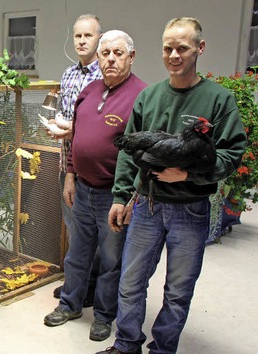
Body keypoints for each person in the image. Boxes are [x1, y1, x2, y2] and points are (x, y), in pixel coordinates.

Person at [99, 17, 246, 354]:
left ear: (200, 48)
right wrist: (121, 197)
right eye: (168, 48)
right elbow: (128, 155)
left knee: (178, 290)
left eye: (183, 47)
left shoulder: (218, 100)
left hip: (190, 210)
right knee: (131, 282)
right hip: (147, 206)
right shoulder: (149, 97)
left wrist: (190, 176)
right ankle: (126, 344)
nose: (174, 55)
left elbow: (232, 154)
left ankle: (162, 349)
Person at [44, 30, 146, 343]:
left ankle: (103, 316)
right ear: (98, 58)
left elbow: (142, 153)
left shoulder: (141, 95)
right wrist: (71, 176)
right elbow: (76, 138)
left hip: (114, 195)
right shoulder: (88, 91)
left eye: (118, 53)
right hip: (83, 188)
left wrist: (130, 197)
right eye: (106, 54)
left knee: (111, 260)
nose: (111, 59)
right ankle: (70, 304)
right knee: (77, 252)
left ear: (131, 56)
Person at [48, 13, 104, 304]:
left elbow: (101, 123)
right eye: (78, 36)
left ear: (99, 38)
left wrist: (74, 129)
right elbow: (66, 115)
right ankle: (76, 282)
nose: (82, 41)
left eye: (88, 35)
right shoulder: (68, 74)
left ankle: (91, 288)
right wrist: (56, 126)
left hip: (92, 169)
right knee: (73, 228)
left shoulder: (106, 74)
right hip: (65, 164)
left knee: (93, 231)